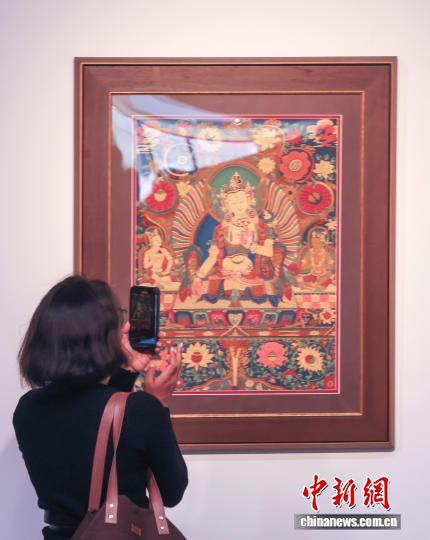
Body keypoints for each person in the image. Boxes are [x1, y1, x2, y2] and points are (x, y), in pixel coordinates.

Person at [12, 276, 188, 539]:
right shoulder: (141, 410)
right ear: (103, 338)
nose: (124, 326)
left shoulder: (28, 409)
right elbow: (172, 492)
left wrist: (125, 372)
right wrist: (159, 403)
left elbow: (95, 425)